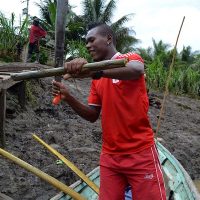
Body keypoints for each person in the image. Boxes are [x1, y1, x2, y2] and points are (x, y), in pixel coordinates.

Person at [52, 23, 166, 200]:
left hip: (140, 153)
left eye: (91, 40)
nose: (88, 45)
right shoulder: (97, 79)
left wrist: (96, 71)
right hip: (110, 157)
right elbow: (92, 115)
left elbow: (136, 70)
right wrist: (69, 97)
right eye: (86, 42)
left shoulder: (129, 58)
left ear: (108, 38)